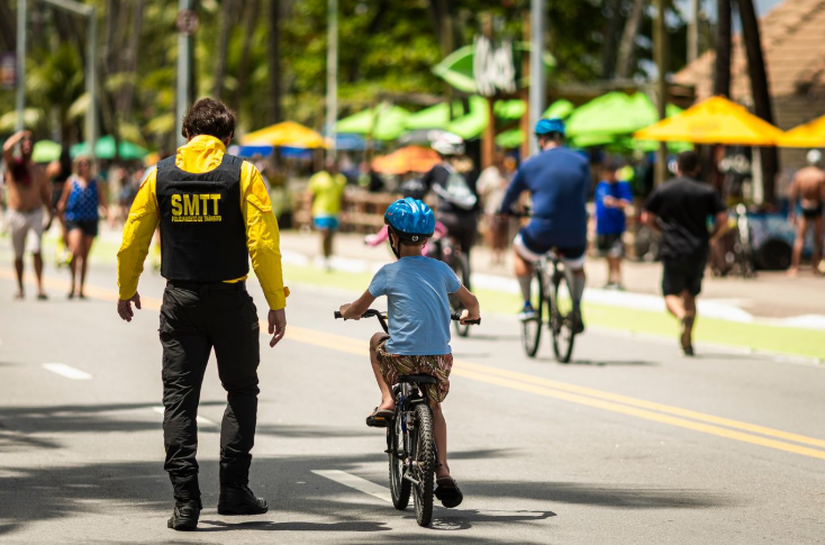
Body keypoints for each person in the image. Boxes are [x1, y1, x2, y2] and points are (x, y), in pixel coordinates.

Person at [115, 98, 289, 531]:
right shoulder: (243, 173)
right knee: (241, 392)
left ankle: (186, 503)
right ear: (228, 137)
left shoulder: (159, 175)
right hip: (232, 301)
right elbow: (263, 244)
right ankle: (233, 491)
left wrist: (126, 287)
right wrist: (276, 302)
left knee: (179, 401)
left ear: (186, 134)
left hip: (180, 303)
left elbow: (133, 235)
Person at [338, 197, 480, 509]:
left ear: (392, 237)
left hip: (400, 361)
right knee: (435, 408)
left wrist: (347, 310)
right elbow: (471, 303)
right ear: (427, 239)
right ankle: (442, 469)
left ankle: (388, 399)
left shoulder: (388, 273)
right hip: (437, 362)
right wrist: (471, 314)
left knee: (377, 338)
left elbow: (359, 309)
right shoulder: (442, 270)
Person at [498, 119, 590, 331]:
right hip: (575, 231)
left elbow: (511, 194)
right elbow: (585, 192)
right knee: (576, 266)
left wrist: (504, 211)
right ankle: (576, 305)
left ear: (541, 140)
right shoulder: (582, 161)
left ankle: (528, 305)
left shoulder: (530, 164)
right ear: (562, 138)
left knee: (519, 250)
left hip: (543, 231)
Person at [643, 151, 727, 356]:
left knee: (670, 294)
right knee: (691, 294)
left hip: (673, 247)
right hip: (698, 247)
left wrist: (662, 230)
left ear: (676, 167)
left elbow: (646, 217)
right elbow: (723, 218)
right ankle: (688, 342)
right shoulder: (707, 191)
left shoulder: (664, 188)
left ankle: (682, 316)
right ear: (697, 168)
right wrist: (711, 236)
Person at [422, 133, 480, 285]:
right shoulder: (469, 169)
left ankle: (440, 280)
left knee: (435, 246)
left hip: (447, 218)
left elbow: (420, 188)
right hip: (470, 220)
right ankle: (466, 281)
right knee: (466, 251)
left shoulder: (437, 169)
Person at [2, 130, 53, 300]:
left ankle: (39, 288)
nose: (26, 148)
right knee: (18, 254)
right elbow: (6, 148)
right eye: (24, 145)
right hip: (15, 214)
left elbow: (45, 193)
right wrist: (20, 135)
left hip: (35, 214)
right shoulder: (13, 165)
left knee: (36, 249)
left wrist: (50, 214)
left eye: (29, 146)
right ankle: (20, 287)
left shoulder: (38, 169)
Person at [57, 156, 108, 299]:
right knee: (75, 251)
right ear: (77, 166)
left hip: (91, 220)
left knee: (85, 256)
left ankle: (81, 288)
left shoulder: (96, 182)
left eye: (86, 164)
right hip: (74, 219)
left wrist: (109, 215)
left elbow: (102, 199)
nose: (84, 167)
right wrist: (60, 220)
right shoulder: (71, 182)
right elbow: (63, 202)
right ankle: (72, 284)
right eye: (81, 164)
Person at [594, 162, 633, 289]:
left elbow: (627, 203)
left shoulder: (622, 185)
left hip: (616, 226)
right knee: (606, 254)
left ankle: (618, 280)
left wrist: (614, 202)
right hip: (602, 226)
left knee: (616, 254)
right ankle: (609, 279)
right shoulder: (601, 186)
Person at [788, 149, 825, 276]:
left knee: (800, 239)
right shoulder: (821, 175)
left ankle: (794, 267)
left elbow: (792, 195)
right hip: (817, 208)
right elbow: (823, 195)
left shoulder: (800, 175)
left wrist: (791, 212)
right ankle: (814, 267)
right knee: (817, 239)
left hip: (804, 207)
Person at [307, 158, 346, 270]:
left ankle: (328, 257)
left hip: (334, 212)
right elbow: (311, 196)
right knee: (325, 233)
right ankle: (323, 256)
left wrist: (343, 211)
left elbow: (342, 197)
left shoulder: (340, 179)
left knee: (331, 236)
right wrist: (309, 211)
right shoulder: (318, 178)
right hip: (320, 211)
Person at [477, 152, 514, 266]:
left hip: (505, 209)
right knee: (492, 232)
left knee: (504, 233)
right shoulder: (489, 173)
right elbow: (480, 188)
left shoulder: (508, 174)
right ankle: (493, 255)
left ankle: (501, 256)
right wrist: (495, 186)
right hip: (491, 207)